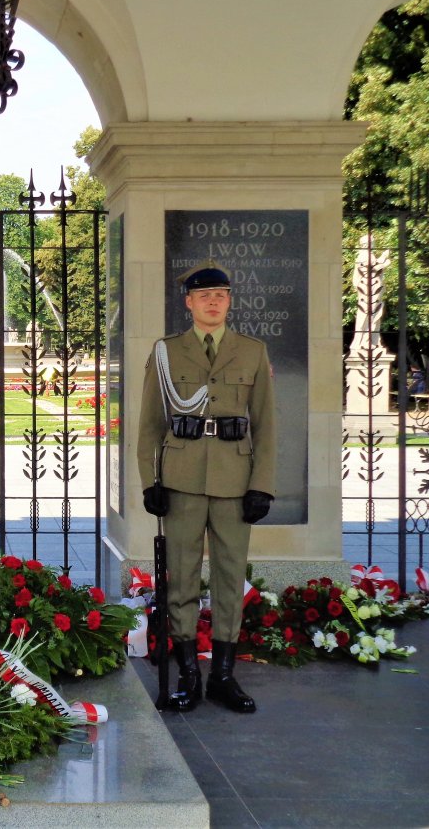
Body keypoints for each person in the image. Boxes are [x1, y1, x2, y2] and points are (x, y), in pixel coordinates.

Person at [137, 259, 276, 714]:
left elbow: (267, 425)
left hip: (236, 482)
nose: (213, 302)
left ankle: (222, 676)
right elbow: (150, 425)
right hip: (182, 481)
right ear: (189, 303)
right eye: (204, 297)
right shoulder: (166, 351)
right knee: (181, 580)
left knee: (230, 579)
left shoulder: (252, 351)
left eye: (220, 295)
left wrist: (262, 485)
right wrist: (150, 481)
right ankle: (189, 678)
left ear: (229, 301)